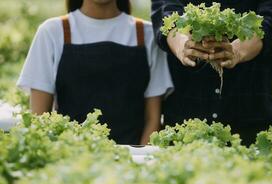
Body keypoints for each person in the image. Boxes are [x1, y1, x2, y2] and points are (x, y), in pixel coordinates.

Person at [17, 0, 173, 145]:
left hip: (132, 162)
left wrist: (138, 164)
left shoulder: (147, 35)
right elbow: (40, 118)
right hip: (69, 162)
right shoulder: (52, 32)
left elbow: (152, 120)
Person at [151, 0, 272, 146]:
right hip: (184, 116)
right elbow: (167, 14)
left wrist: (238, 51)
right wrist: (182, 45)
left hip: (250, 115)